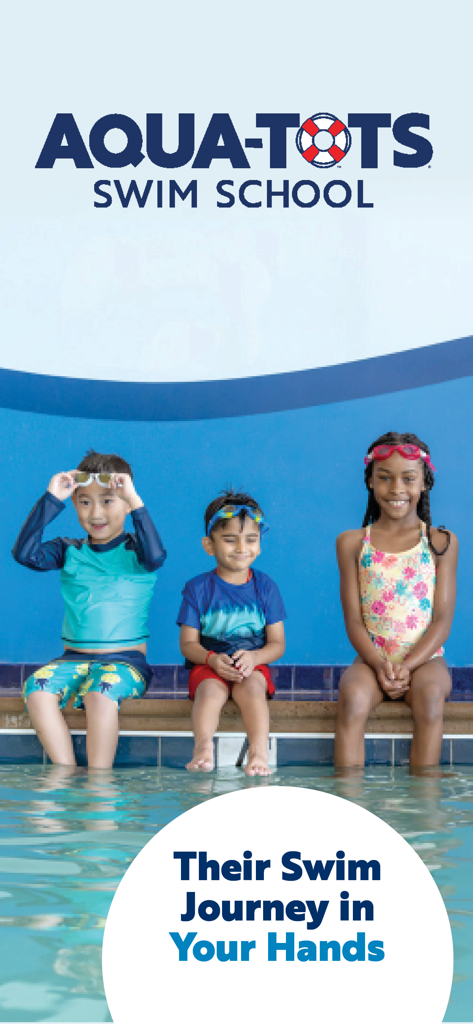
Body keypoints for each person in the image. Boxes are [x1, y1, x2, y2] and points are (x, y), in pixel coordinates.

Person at [12, 450, 166, 768]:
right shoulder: (69, 551)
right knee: (36, 690)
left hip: (126, 663)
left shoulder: (137, 552)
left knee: (99, 695)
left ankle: (99, 783)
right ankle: (66, 773)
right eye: (84, 502)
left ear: (126, 503)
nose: (95, 512)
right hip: (72, 660)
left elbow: (157, 556)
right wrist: (51, 499)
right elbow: (25, 554)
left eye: (108, 500)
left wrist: (135, 500)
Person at [335, 431, 458, 769]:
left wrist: (407, 666)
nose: (396, 489)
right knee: (352, 698)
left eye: (408, 478)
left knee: (431, 701)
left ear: (424, 482)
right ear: (370, 482)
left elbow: (442, 619)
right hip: (372, 659)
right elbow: (354, 621)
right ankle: (348, 801)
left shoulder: (440, 543)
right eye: (385, 478)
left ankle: (422, 808)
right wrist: (379, 664)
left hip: (426, 660)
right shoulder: (352, 543)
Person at [177, 490, 286, 776]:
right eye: (229, 539)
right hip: (209, 664)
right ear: (209, 545)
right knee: (210, 691)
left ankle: (259, 750)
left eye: (251, 539)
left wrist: (255, 657)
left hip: (252, 665)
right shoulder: (197, 589)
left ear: (259, 544)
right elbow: (188, 644)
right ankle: (203, 747)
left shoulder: (266, 587)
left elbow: (277, 644)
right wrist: (211, 660)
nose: (241, 547)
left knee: (252, 689)